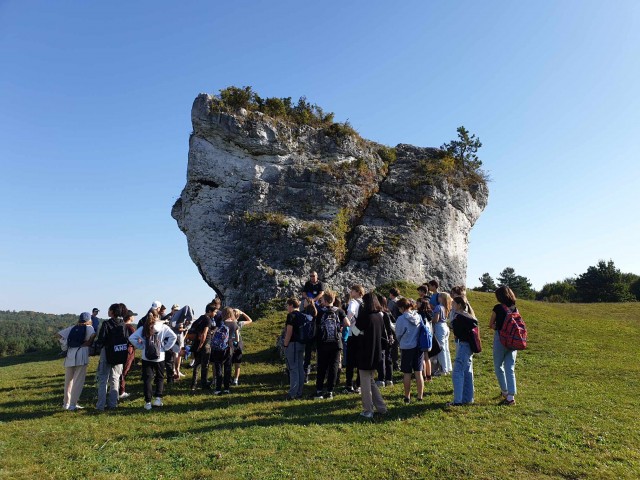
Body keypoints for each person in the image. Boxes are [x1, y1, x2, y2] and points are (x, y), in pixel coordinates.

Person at [128, 309, 177, 410]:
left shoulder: (144, 328)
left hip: (146, 357)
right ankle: (158, 399)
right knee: (159, 378)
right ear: (158, 316)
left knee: (147, 380)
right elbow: (174, 336)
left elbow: (132, 338)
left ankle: (148, 402)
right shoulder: (164, 327)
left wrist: (141, 346)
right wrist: (165, 347)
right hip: (160, 356)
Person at [356, 293, 387, 419]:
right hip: (376, 352)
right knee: (371, 381)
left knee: (365, 383)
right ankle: (381, 407)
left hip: (365, 352)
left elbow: (355, 331)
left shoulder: (366, 316)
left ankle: (368, 410)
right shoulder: (379, 316)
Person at [58, 312, 95, 411]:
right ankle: (73, 405)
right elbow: (92, 337)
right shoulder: (89, 328)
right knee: (78, 381)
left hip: (70, 354)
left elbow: (59, 335)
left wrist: (66, 343)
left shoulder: (73, 327)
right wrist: (85, 344)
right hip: (81, 355)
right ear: (88, 320)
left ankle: (66, 403)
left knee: (68, 381)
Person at [94, 303, 128, 411]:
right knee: (115, 378)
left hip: (107, 353)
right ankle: (113, 404)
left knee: (103, 379)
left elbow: (101, 339)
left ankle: (100, 405)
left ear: (112, 312)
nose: (108, 311)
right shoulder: (123, 324)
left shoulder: (106, 324)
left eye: (109, 310)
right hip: (119, 353)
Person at [490, 286, 519, 406]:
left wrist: (499, 328)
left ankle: (504, 391)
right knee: (510, 368)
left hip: (500, 339)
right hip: (513, 341)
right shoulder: (515, 308)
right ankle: (511, 397)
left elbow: (491, 324)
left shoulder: (498, 308)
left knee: (498, 366)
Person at [313, 291, 345, 399]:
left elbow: (316, 326)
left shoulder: (320, 312)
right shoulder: (339, 311)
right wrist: (340, 327)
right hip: (336, 343)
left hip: (323, 343)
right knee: (333, 367)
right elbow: (348, 323)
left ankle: (319, 390)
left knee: (322, 367)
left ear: (325, 300)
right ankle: (330, 391)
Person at [448, 296, 478, 406]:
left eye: (454, 304)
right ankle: (468, 398)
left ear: (459, 305)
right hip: (468, 346)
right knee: (467, 372)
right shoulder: (469, 316)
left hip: (463, 345)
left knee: (457, 372)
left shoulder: (459, 317)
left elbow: (456, 332)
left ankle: (458, 401)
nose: (452, 306)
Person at [395, 297, 424, 403]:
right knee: (418, 372)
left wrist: (400, 340)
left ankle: (407, 396)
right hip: (418, 347)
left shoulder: (401, 319)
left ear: (402, 307)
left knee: (407, 373)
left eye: (399, 308)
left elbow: (398, 334)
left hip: (407, 347)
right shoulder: (418, 316)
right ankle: (420, 396)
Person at [190, 302, 217, 391]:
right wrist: (201, 344)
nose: (215, 314)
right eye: (215, 312)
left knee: (196, 365)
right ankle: (204, 384)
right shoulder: (208, 320)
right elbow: (204, 333)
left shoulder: (200, 318)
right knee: (205, 365)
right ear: (210, 311)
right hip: (205, 344)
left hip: (196, 344)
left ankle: (193, 384)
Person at [283, 298, 306, 400]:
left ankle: (293, 393)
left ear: (291, 305)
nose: (287, 308)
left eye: (288, 305)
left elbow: (289, 331)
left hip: (292, 344)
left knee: (293, 369)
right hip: (302, 344)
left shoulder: (291, 316)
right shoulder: (303, 315)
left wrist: (285, 344)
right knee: (300, 368)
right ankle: (299, 391)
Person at [344, 284, 364, 393]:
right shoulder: (364, 303)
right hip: (362, 334)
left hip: (353, 333)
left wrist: (347, 320)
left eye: (352, 290)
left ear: (357, 292)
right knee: (360, 360)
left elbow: (350, 312)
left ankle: (349, 384)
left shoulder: (353, 302)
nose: (350, 292)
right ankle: (359, 384)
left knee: (350, 361)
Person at [229, 308, 252, 386]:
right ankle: (236, 380)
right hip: (238, 343)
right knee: (237, 363)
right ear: (238, 316)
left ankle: (228, 378)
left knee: (229, 362)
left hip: (230, 343)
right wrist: (243, 313)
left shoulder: (228, 323)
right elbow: (250, 320)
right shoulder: (239, 323)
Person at [375, 294, 394, 387]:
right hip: (389, 338)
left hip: (381, 338)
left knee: (381, 358)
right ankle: (389, 379)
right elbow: (391, 326)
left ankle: (381, 378)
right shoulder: (388, 313)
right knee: (388, 359)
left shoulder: (379, 314)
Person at [118, 310, 138, 400]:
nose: (134, 317)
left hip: (120, 350)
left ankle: (119, 389)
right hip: (128, 351)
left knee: (120, 370)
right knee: (124, 371)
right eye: (133, 316)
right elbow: (136, 339)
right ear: (130, 317)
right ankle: (121, 391)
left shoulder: (120, 326)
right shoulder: (130, 328)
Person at [432, 292, 453, 376]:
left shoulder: (438, 307)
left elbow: (436, 319)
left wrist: (431, 320)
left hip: (439, 327)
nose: (438, 297)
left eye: (439, 296)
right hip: (445, 326)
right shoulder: (446, 307)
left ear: (442, 298)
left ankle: (443, 369)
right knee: (446, 348)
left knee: (440, 348)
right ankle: (448, 367)